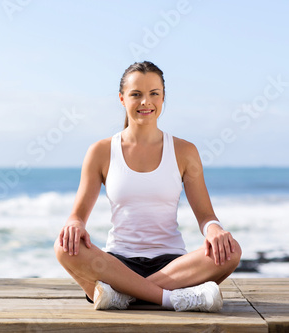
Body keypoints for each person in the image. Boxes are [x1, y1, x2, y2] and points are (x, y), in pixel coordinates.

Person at [54, 61, 241, 312]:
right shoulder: (100, 152)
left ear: (163, 98)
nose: (146, 102)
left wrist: (214, 229)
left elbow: (205, 215)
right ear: (122, 99)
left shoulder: (185, 151)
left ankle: (121, 296)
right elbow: (77, 216)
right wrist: (74, 224)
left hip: (173, 265)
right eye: (136, 94)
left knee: (231, 251)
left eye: (154, 94)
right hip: (117, 264)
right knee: (63, 247)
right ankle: (170, 299)